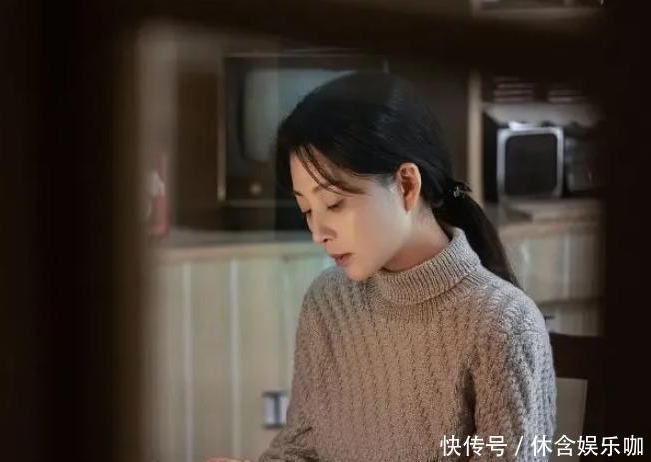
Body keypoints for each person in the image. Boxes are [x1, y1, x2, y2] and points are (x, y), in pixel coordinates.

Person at [208, 71, 556, 462]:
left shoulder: (504, 325)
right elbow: (302, 448)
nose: (318, 233)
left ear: (406, 184)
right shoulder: (328, 301)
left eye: (334, 204)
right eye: (307, 210)